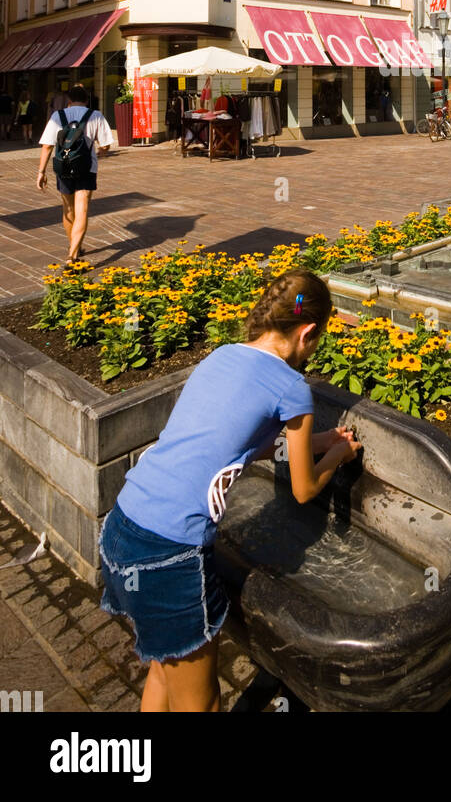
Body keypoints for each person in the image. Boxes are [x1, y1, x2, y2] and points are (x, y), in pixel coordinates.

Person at [98, 269, 361, 712]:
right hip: (168, 556)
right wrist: (339, 456)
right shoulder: (292, 387)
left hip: (122, 528)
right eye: (318, 341)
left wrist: (318, 442)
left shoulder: (222, 355)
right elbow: (302, 489)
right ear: (308, 331)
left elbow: (235, 444)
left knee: (165, 669)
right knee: (201, 705)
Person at [36, 83, 113, 262]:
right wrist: (99, 154)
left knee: (68, 210)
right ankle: (72, 254)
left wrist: (41, 172)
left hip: (63, 167)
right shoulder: (96, 115)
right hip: (87, 168)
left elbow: (47, 146)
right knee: (82, 209)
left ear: (69, 101)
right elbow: (105, 145)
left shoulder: (58, 115)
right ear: (87, 100)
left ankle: (74, 248)